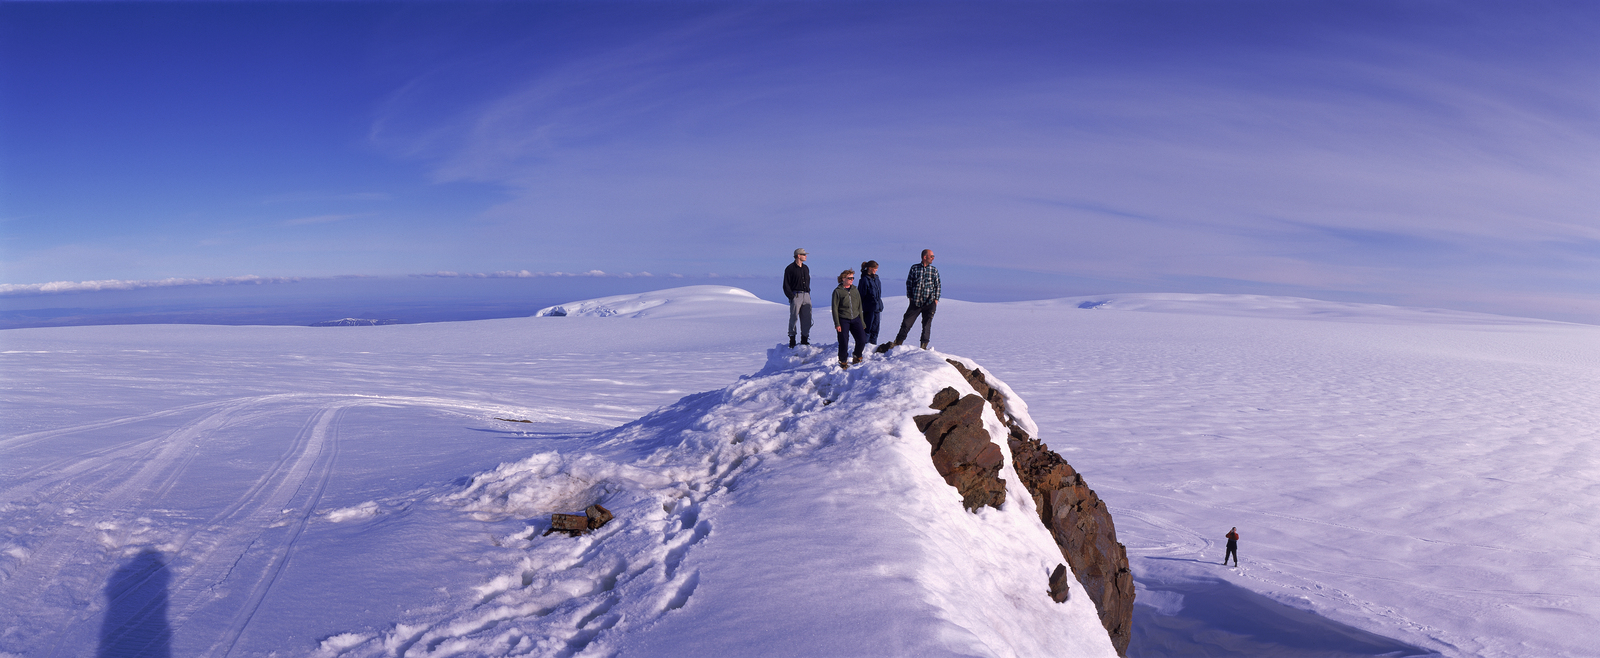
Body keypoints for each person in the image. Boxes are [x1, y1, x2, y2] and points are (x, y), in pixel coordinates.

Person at [892, 249, 940, 349]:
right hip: (915, 302)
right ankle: (897, 343)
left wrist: (936, 299)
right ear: (925, 257)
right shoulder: (914, 268)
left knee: (926, 325)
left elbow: (937, 285)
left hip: (929, 303)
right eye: (931, 256)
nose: (933, 258)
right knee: (906, 323)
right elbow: (909, 283)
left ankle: (923, 347)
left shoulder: (934, 270)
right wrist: (910, 296)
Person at [831, 269, 867, 368]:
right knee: (843, 341)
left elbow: (859, 307)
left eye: (852, 278)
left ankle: (857, 356)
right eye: (849, 278)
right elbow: (834, 308)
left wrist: (862, 322)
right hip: (843, 319)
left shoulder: (855, 290)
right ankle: (843, 361)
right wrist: (837, 323)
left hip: (856, 318)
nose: (851, 280)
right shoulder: (837, 292)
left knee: (862, 339)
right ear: (843, 279)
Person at [783, 248, 811, 348]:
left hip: (806, 295)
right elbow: (786, 285)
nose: (806, 256)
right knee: (794, 317)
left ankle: (804, 339)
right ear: (798, 256)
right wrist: (792, 297)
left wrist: (808, 294)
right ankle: (792, 339)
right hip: (796, 295)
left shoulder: (806, 268)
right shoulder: (790, 268)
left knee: (807, 318)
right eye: (804, 254)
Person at [858, 260, 883, 344]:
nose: (876, 270)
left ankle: (873, 346)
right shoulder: (864, 280)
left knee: (876, 329)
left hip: (877, 307)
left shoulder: (876, 279)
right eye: (875, 268)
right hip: (868, 307)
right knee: (868, 328)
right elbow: (861, 294)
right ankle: (864, 347)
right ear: (870, 268)